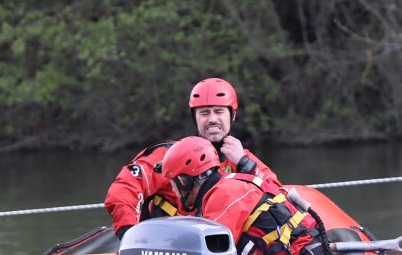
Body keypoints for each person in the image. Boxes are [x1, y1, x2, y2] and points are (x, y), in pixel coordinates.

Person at [57, 137, 348, 255]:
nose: (173, 190)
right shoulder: (227, 189)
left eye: (174, 183)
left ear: (186, 180)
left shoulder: (224, 196)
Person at [103, 77, 277, 239]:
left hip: (216, 249)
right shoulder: (169, 155)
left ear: (232, 115)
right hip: (164, 247)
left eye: (219, 111)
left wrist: (245, 165)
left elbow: (278, 198)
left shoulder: (243, 158)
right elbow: (123, 190)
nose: (212, 119)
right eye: (204, 113)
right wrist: (129, 236)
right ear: (195, 118)